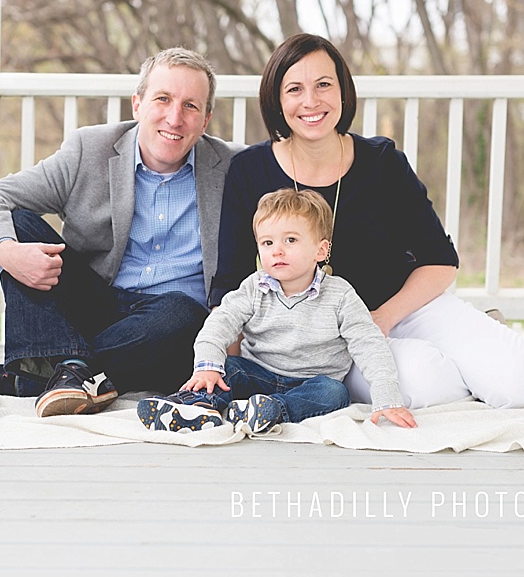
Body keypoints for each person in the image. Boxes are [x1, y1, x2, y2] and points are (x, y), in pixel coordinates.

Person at [213, 34, 524, 415]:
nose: (311, 101)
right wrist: (229, 369)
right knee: (423, 382)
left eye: (324, 84)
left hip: (406, 307)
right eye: (295, 89)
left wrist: (384, 317)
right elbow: (230, 283)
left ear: (343, 91)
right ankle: (477, 367)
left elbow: (440, 261)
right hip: (328, 340)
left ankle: (491, 351)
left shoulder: (383, 161)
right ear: (277, 100)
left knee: (519, 381)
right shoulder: (249, 170)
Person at [0, 49, 234, 414]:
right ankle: (72, 371)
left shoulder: (233, 169)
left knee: (185, 313)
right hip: (94, 306)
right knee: (21, 225)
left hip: (165, 328)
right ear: (137, 104)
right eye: (162, 99)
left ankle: (36, 374)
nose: (174, 117)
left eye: (191, 106)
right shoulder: (89, 150)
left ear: (206, 119)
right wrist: (7, 253)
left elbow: (306, 209)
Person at [137, 186, 403, 436]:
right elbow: (219, 323)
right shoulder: (254, 288)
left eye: (290, 240)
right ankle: (194, 407)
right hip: (257, 372)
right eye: (267, 243)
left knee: (335, 393)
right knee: (228, 368)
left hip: (311, 382)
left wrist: (386, 397)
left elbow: (369, 344)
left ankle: (269, 410)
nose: (277, 251)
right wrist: (207, 367)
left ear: (320, 250)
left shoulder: (340, 295)